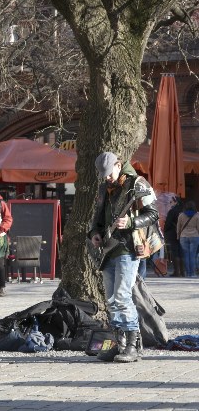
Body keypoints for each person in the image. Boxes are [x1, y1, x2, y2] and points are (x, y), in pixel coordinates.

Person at [88, 152, 159, 363]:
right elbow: (97, 219)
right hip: (108, 250)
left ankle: (133, 344)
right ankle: (118, 344)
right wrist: (95, 234)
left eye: (109, 173)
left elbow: (153, 214)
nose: (107, 178)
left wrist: (130, 223)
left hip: (129, 248)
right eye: (103, 174)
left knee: (121, 296)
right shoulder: (104, 188)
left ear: (119, 165)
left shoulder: (137, 183)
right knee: (111, 299)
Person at [176, 200, 199, 278]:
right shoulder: (197, 215)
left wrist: (178, 236)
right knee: (192, 255)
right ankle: (192, 273)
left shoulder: (181, 215)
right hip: (194, 236)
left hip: (183, 236)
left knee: (186, 255)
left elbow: (178, 227)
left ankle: (187, 273)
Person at [164, 196, 184, 277]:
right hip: (183, 234)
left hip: (173, 233)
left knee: (175, 252)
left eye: (171, 202)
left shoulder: (172, 211)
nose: (170, 203)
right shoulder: (183, 210)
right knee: (181, 252)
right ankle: (182, 271)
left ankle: (177, 272)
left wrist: (165, 231)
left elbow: (168, 223)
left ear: (175, 202)